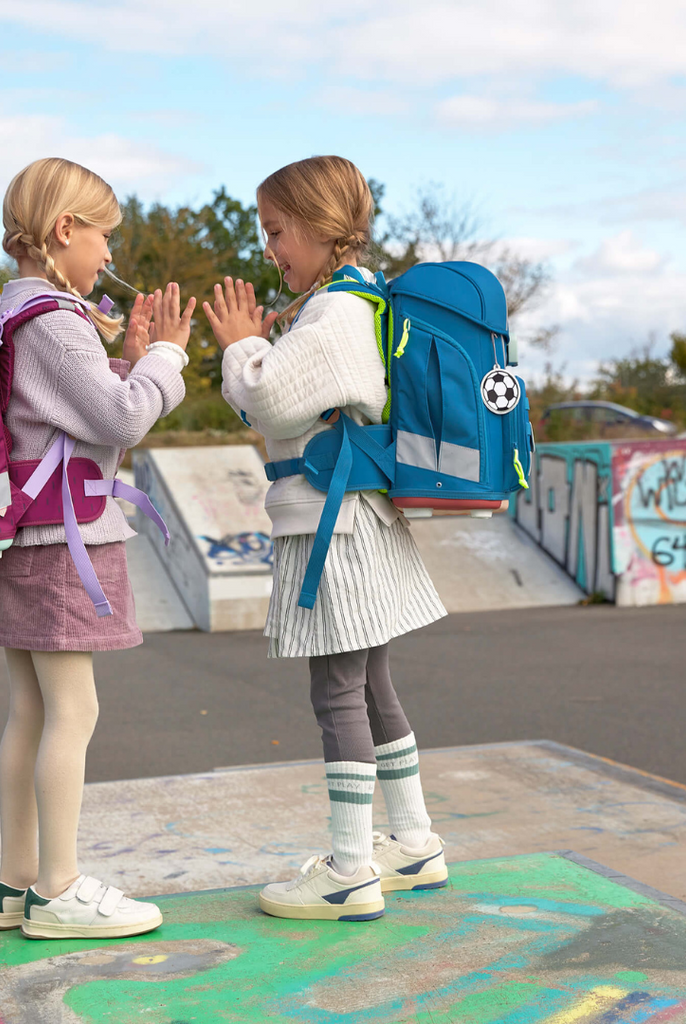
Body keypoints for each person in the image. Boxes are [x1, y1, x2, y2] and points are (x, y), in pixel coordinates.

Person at [203, 155, 449, 922]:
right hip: (357, 520)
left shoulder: (334, 313)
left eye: (277, 231)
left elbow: (270, 401)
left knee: (337, 691)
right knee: (371, 686)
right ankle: (412, 844)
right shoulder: (352, 301)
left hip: (332, 526)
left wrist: (243, 343)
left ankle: (349, 869)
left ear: (316, 226)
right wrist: (261, 343)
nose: (271, 248)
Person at [0, 157, 195, 939]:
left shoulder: (3, 312)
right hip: (63, 543)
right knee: (75, 709)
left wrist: (129, 362)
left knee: (29, 711)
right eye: (103, 236)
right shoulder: (56, 321)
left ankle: (16, 880)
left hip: (16, 536)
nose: (108, 255)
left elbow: (84, 419)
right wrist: (166, 357)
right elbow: (124, 422)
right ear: (64, 229)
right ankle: (60, 889)